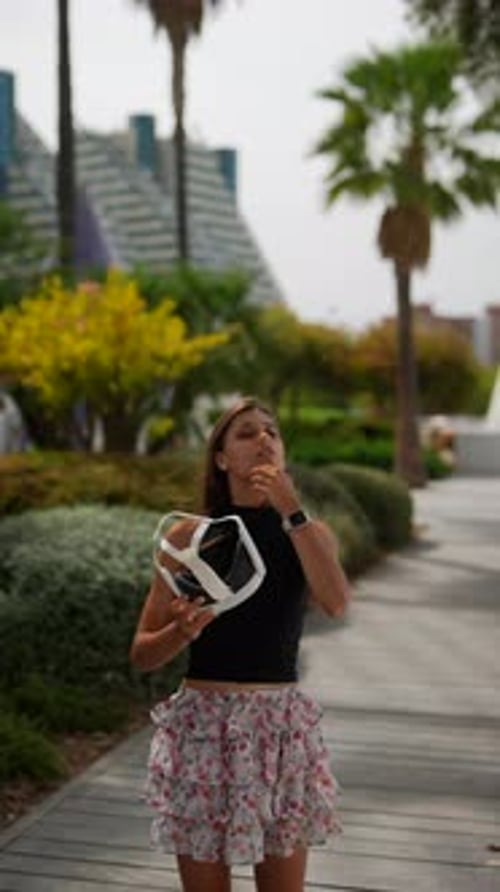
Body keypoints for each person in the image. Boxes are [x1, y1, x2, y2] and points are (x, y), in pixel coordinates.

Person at [130, 396, 351, 892]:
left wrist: (292, 511)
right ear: (222, 458)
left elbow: (337, 603)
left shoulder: (309, 533)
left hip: (279, 733)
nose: (263, 440)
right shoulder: (189, 537)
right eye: (246, 433)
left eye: (272, 431)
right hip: (202, 733)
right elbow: (143, 654)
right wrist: (181, 631)